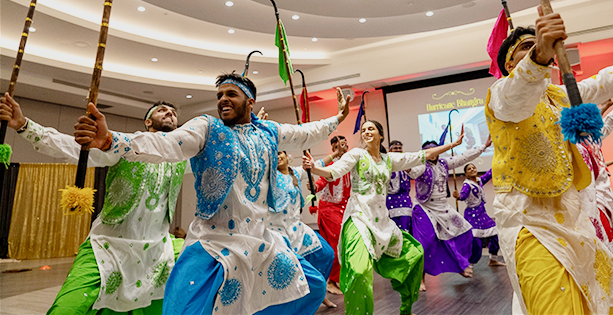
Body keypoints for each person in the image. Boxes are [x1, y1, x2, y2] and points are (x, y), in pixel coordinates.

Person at [73, 72, 351, 315]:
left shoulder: (269, 132)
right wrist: (111, 141)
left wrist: (338, 117)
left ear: (250, 102)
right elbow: (166, 144)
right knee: (183, 309)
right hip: (212, 241)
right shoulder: (207, 127)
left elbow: (304, 133)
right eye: (220, 95)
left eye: (231, 94)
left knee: (311, 287)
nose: (223, 99)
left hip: (260, 241)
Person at [487, 9, 613, 314]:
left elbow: (606, 81)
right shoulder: (501, 95)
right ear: (509, 63)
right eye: (526, 48)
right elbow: (518, 95)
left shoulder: (558, 96)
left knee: (612, 294)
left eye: (540, 45)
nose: (535, 50)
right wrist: (540, 52)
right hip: (528, 222)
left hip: (571, 220)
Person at [0, 94, 186, 314]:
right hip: (108, 246)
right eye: (162, 110)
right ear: (148, 122)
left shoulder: (183, 156)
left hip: (157, 251)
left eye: (173, 113)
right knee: (68, 308)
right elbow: (74, 148)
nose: (170, 114)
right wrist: (24, 126)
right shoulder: (123, 145)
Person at [303, 120, 464, 315]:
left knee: (414, 256)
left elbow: (424, 155)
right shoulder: (356, 155)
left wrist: (453, 145)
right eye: (363, 130)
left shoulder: (389, 160)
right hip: (358, 219)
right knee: (360, 271)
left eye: (371, 128)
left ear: (380, 135)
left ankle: (406, 308)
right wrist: (314, 168)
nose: (366, 132)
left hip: (382, 221)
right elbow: (333, 171)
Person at [411, 134, 492, 286]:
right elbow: (413, 172)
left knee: (466, 231)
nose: (433, 152)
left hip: (443, 207)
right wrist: (407, 167)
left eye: (435, 149)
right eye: (429, 150)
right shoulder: (421, 165)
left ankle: (459, 264)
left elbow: (464, 157)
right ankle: (420, 279)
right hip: (424, 208)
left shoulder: (444, 163)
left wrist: (483, 147)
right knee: (425, 243)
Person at [269, 151, 337, 308]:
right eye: (275, 155)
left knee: (327, 254)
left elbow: (318, 163)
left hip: (297, 227)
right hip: (279, 229)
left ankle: (318, 293)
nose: (278, 157)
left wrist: (335, 154)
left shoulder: (295, 173)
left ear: (288, 156)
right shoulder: (270, 176)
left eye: (280, 154)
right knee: (292, 267)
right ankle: (302, 301)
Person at [576, 95, 613, 259]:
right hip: (593, 197)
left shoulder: (592, 139)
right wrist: (606, 104)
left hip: (606, 194)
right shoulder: (576, 143)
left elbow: (607, 126)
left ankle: (611, 266)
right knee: (602, 236)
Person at [313, 135, 351, 295]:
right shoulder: (331, 165)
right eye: (341, 144)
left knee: (345, 243)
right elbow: (322, 180)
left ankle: (337, 278)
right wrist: (314, 186)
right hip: (330, 209)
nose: (345, 146)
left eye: (346, 143)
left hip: (346, 208)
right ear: (334, 147)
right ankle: (331, 281)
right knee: (337, 244)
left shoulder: (350, 163)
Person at [457, 162, 505, 267]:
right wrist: (458, 196)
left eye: (473, 168)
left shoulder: (479, 181)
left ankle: (493, 259)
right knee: (476, 241)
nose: (472, 169)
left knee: (495, 235)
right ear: (466, 174)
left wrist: (500, 161)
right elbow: (463, 196)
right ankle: (470, 264)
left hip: (482, 213)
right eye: (469, 169)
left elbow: (489, 173)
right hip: (472, 215)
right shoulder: (467, 185)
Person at [386, 140, 419, 233]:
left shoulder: (407, 163)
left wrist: (406, 167)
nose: (398, 150)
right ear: (390, 150)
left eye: (400, 148)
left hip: (405, 202)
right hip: (389, 202)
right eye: (395, 148)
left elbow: (414, 175)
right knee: (391, 230)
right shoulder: (385, 163)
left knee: (405, 229)